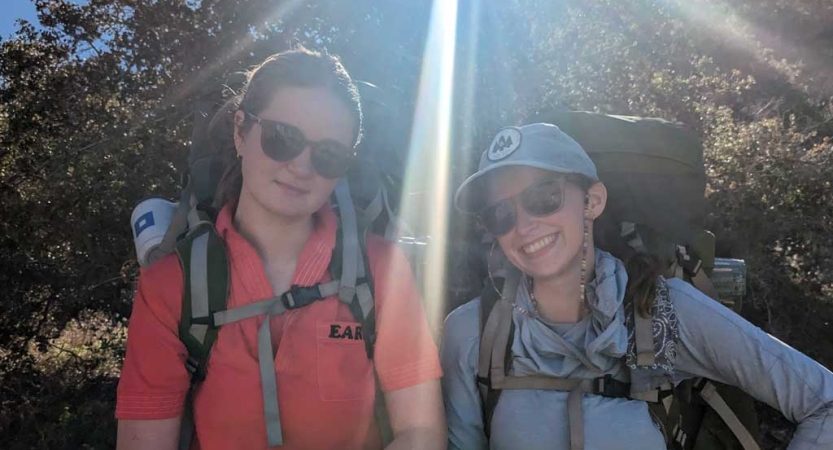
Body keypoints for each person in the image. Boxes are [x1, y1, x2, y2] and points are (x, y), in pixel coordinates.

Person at [116, 48, 446, 450]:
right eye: (282, 138)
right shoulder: (174, 283)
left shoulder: (381, 269)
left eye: (328, 155)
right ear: (241, 131)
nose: (302, 167)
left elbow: (421, 432)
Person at [441, 123, 833, 449]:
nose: (523, 224)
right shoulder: (473, 333)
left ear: (592, 201)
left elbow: (824, 402)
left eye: (544, 196)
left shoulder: (665, 312)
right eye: (500, 213)